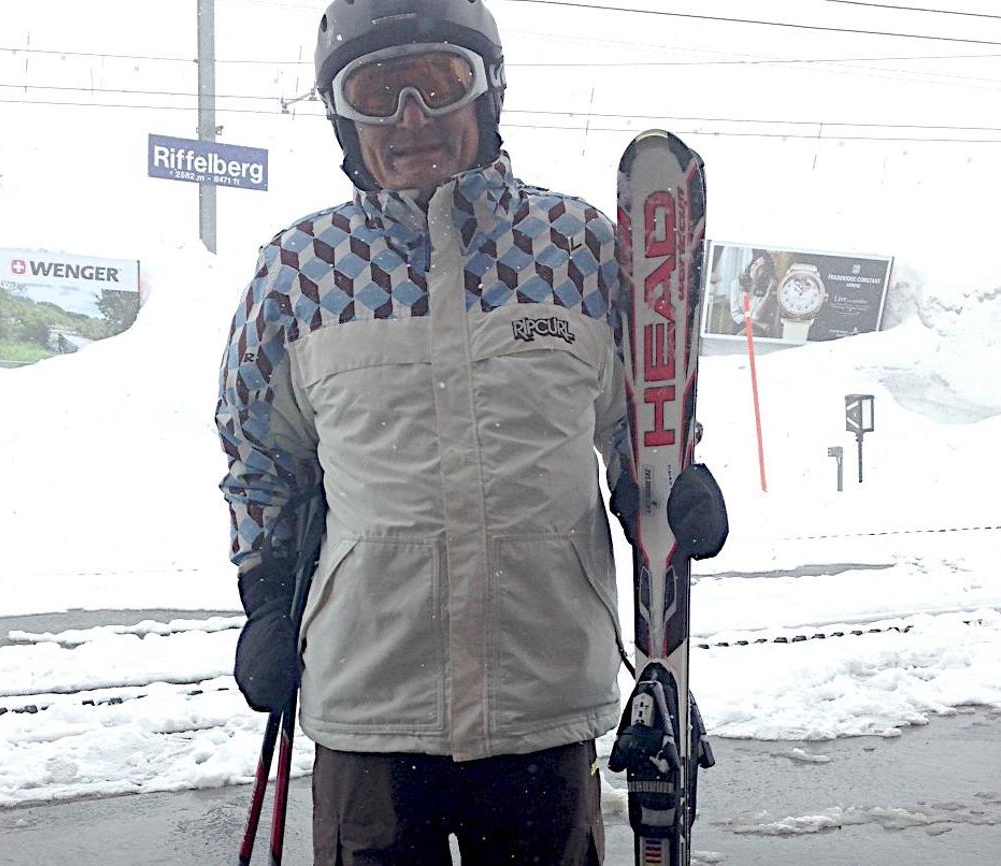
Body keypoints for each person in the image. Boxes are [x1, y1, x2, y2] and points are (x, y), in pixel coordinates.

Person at [214, 1, 729, 862]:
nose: (411, 116)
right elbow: (260, 457)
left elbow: (637, 419)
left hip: (542, 697)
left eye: (441, 82)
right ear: (344, 118)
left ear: (488, 95)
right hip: (370, 705)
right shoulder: (299, 271)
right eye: (377, 91)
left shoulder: (577, 249)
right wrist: (265, 598)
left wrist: (662, 490)